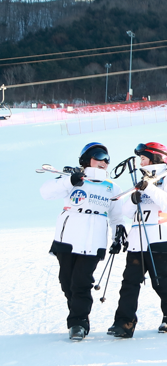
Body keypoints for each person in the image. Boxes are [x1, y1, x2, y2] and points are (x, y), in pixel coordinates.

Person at [40, 142, 125, 341]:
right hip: (67, 238)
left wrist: (118, 234)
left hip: (94, 241)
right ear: (86, 160)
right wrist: (69, 181)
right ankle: (77, 314)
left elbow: (117, 216)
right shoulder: (72, 180)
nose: (103, 161)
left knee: (81, 282)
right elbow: (46, 192)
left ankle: (78, 323)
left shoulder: (112, 187)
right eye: (98, 156)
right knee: (66, 282)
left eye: (106, 158)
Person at [108, 142, 167, 338]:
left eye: (143, 157)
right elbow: (127, 212)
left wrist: (149, 188)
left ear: (156, 157)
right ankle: (124, 323)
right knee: (129, 283)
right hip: (137, 239)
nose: (140, 161)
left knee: (160, 281)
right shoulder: (141, 180)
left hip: (161, 238)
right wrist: (134, 199)